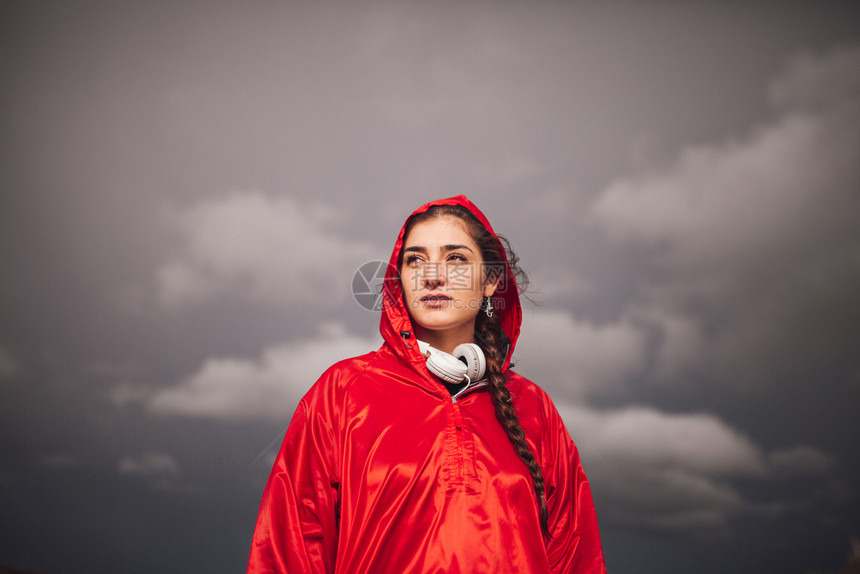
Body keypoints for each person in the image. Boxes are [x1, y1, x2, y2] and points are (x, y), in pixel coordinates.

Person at [247, 196, 606, 573]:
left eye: (456, 259)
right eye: (415, 260)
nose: (432, 275)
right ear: (399, 280)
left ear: (491, 281)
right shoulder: (343, 392)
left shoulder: (534, 407)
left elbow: (575, 557)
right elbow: (289, 550)